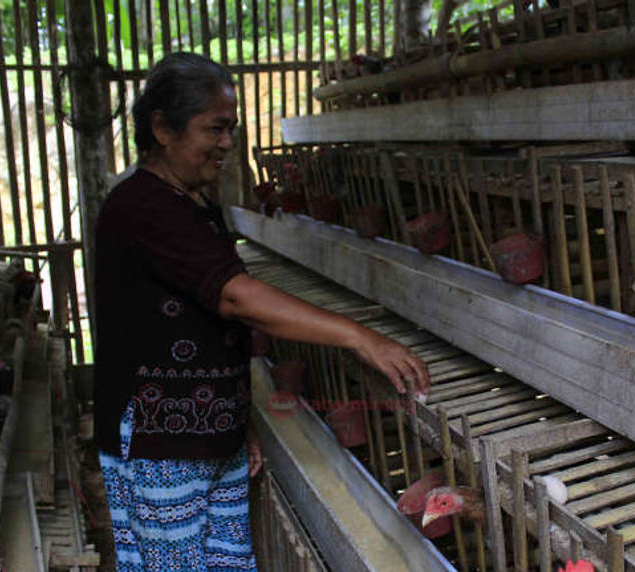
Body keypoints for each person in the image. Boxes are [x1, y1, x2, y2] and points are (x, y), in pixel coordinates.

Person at [93, 51, 430, 572]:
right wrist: (360, 337)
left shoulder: (195, 204)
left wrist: (235, 418)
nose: (228, 143)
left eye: (232, 128)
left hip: (210, 436)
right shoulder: (141, 207)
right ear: (162, 127)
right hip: (160, 445)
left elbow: (209, 323)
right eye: (215, 128)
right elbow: (234, 296)